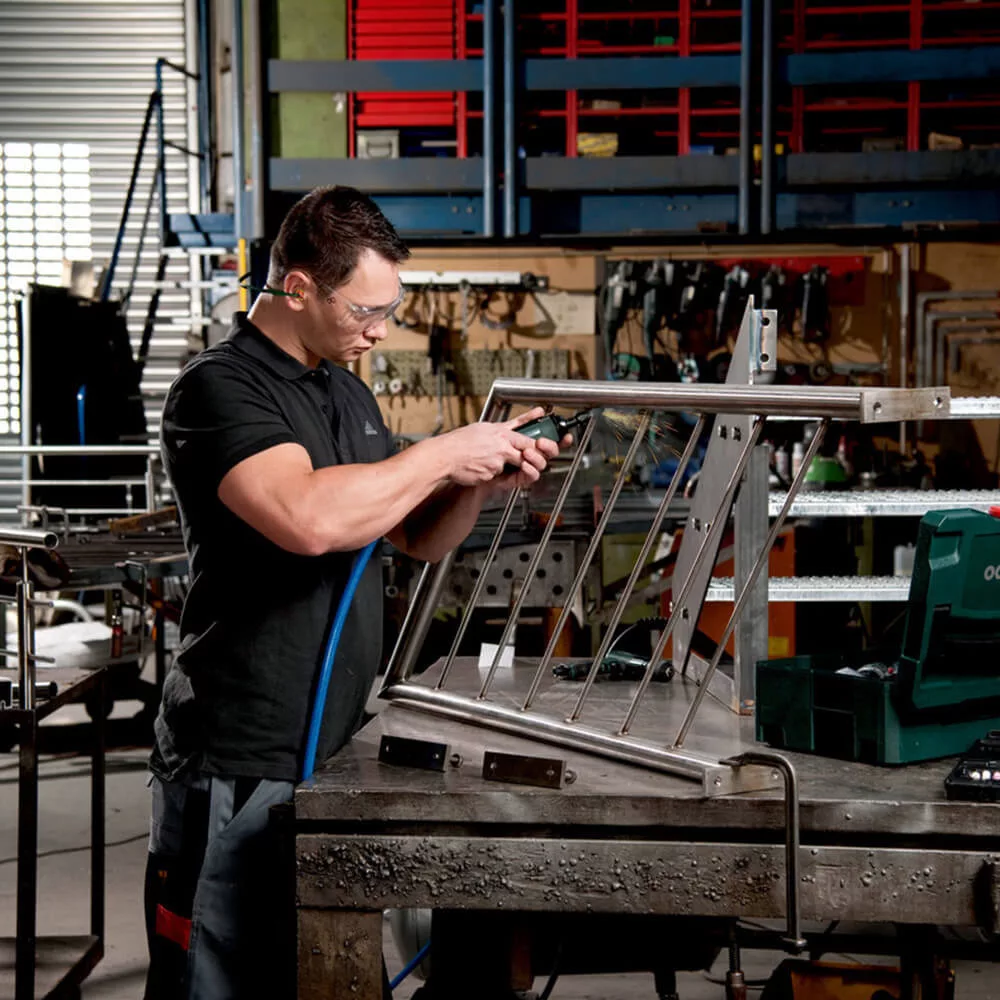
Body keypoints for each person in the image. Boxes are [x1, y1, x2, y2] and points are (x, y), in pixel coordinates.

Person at [143, 186, 569, 999]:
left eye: (390, 310)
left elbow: (414, 536)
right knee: (218, 977)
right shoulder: (220, 387)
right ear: (298, 287)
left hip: (332, 743)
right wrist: (443, 452)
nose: (380, 330)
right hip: (239, 749)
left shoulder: (347, 390)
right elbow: (307, 519)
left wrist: (479, 482)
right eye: (365, 311)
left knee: (317, 970)